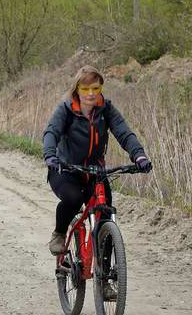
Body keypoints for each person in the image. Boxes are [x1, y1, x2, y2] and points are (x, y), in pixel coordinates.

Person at [42, 65, 152, 255]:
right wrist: (50, 156)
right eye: (86, 89)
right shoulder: (66, 110)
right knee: (74, 199)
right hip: (65, 169)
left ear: (101, 88)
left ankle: (107, 275)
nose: (91, 94)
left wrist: (139, 155)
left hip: (96, 172)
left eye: (96, 88)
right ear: (77, 89)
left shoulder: (106, 109)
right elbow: (51, 132)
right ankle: (59, 233)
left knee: (105, 215)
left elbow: (124, 133)